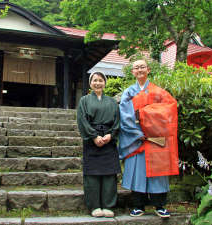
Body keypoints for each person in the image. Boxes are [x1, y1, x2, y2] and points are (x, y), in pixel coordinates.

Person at [118, 59, 179, 218]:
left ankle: (160, 205)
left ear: (148, 69)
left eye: (142, 67)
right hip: (136, 139)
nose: (139, 70)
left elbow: (170, 108)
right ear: (132, 72)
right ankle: (138, 205)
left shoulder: (159, 92)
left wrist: (147, 115)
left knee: (159, 173)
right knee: (137, 172)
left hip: (155, 138)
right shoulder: (129, 92)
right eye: (136, 67)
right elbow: (125, 115)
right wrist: (138, 132)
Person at [77, 72, 121, 218]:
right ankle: (94, 206)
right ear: (90, 83)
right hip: (91, 139)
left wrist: (111, 135)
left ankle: (108, 205)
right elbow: (82, 119)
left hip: (108, 138)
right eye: (95, 80)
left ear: (104, 83)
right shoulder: (84, 100)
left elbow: (117, 120)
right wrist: (94, 136)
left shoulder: (112, 102)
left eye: (100, 80)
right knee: (92, 175)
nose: (97, 83)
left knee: (109, 173)